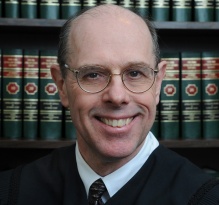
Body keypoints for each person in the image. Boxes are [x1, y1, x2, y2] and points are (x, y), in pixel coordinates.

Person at [0, 4, 219, 205]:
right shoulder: (9, 192)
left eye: (135, 73)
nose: (117, 96)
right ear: (62, 86)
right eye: (93, 74)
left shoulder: (206, 198)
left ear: (157, 84)